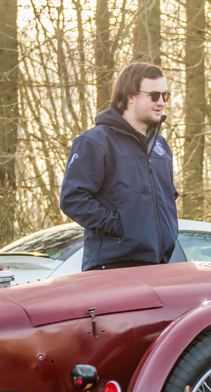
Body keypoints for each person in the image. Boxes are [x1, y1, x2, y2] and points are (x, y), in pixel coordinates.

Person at [59, 61, 180, 271]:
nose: (161, 102)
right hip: (112, 267)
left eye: (165, 95)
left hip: (157, 264)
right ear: (130, 96)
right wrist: (121, 227)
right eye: (154, 95)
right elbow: (73, 199)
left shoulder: (161, 146)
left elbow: (169, 197)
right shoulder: (95, 142)